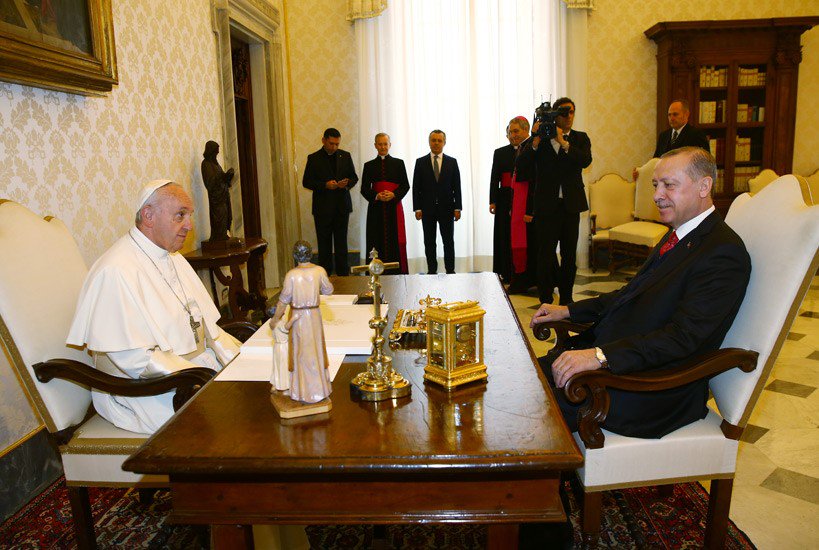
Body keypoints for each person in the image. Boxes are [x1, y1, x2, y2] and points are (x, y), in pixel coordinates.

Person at [530, 147, 751, 439]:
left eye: (668, 185)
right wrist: (569, 311)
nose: (657, 195)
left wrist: (600, 356)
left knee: (524, 413)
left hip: (648, 389)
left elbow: (681, 338)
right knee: (518, 381)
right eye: (655, 185)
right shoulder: (678, 234)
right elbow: (630, 294)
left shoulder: (723, 253)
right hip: (617, 363)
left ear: (704, 186)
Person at [67, 180, 241, 434]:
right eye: (180, 215)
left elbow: (204, 327)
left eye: (189, 216)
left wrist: (237, 357)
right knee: (232, 421)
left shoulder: (172, 257)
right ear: (148, 216)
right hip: (146, 390)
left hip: (190, 373)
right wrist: (200, 377)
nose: (189, 225)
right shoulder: (116, 271)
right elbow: (135, 360)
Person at [516, 97, 592, 305]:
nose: (568, 116)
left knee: (569, 256)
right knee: (545, 255)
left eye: (571, 112)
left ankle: (566, 299)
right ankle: (546, 299)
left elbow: (585, 160)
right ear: (555, 115)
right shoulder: (540, 139)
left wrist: (563, 143)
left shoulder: (580, 138)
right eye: (564, 112)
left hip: (571, 206)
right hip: (546, 207)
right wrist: (534, 140)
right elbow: (521, 166)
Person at [270, 241, 334, 403]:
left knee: (301, 354)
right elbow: (329, 290)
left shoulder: (291, 275)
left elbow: (283, 301)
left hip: (298, 317)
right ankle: (319, 389)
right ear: (311, 254)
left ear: (294, 255)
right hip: (314, 315)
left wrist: (275, 319)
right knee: (315, 351)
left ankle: (303, 391)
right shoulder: (319, 271)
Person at [302, 128, 359, 276]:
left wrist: (346, 183)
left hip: (342, 207)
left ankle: (343, 275)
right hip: (322, 209)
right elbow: (306, 182)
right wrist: (325, 185)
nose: (334, 147)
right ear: (324, 140)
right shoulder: (313, 158)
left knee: (341, 244)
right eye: (331, 143)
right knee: (324, 244)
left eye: (337, 144)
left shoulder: (345, 156)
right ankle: (324, 276)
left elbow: (354, 178)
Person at [412, 129, 462, 274]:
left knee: (448, 242)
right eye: (433, 140)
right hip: (427, 209)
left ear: (444, 143)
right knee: (429, 242)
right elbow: (416, 187)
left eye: (439, 140)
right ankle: (432, 271)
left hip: (447, 208)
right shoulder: (420, 162)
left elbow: (457, 186)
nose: (436, 143)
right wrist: (417, 208)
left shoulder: (452, 162)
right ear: (429, 142)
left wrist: (458, 207)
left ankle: (450, 271)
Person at [360, 133, 410, 273]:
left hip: (394, 207)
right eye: (380, 144)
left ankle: (396, 273)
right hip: (376, 209)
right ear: (375, 145)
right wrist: (376, 196)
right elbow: (364, 188)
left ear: (390, 145)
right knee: (375, 240)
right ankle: (375, 272)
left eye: (385, 144)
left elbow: (405, 186)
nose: (383, 147)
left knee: (394, 240)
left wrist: (394, 195)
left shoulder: (399, 163)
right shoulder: (369, 165)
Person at [489, 118, 523, 283]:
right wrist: (492, 200)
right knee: (503, 236)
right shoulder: (499, 152)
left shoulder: (530, 149)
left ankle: (520, 273)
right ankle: (505, 272)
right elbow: (494, 178)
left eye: (516, 131)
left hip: (522, 199)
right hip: (504, 199)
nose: (513, 135)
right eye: (510, 132)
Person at [201, 140, 235, 242]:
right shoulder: (206, 164)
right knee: (218, 217)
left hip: (223, 196)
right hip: (216, 198)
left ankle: (223, 235)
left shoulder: (216, 164)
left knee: (225, 215)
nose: (217, 153)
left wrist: (228, 175)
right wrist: (222, 177)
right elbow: (210, 182)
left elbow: (222, 177)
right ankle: (218, 237)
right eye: (216, 151)